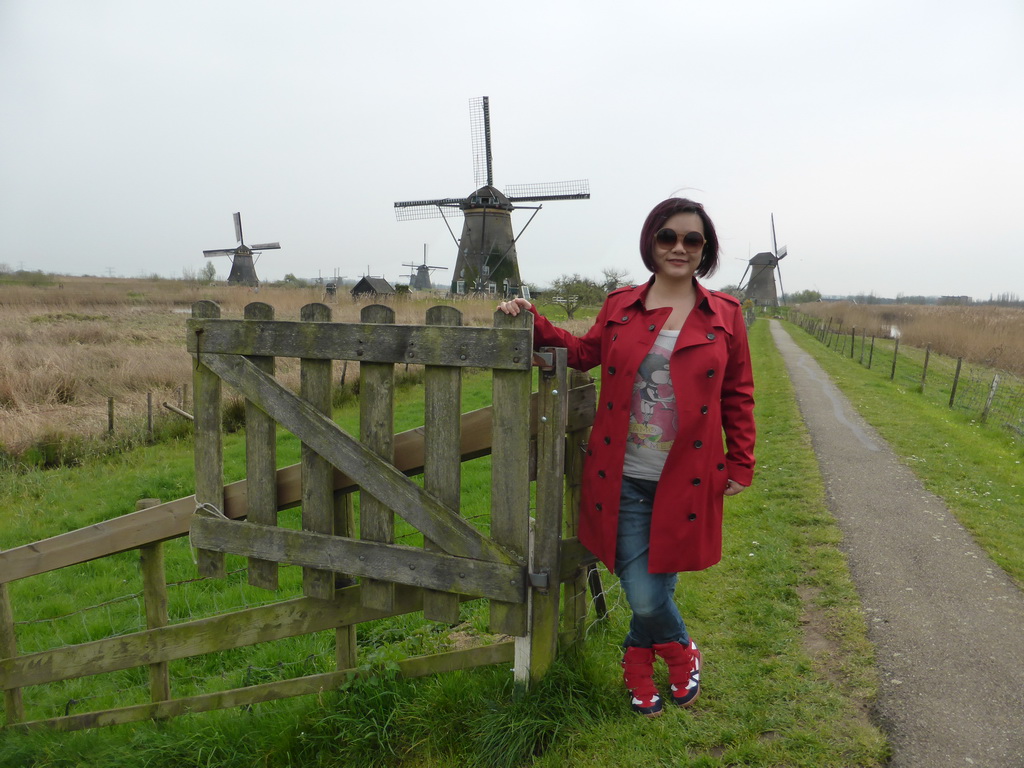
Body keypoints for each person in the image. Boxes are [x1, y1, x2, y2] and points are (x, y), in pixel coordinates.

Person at [498, 197, 755, 717]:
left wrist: (741, 461)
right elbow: (583, 352)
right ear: (652, 242)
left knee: (656, 581)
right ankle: (681, 652)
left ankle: (637, 662)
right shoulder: (621, 305)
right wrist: (534, 322)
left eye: (692, 240)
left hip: (688, 478)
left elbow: (737, 393)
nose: (679, 248)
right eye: (668, 237)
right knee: (644, 592)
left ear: (705, 250)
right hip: (625, 476)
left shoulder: (725, 314)